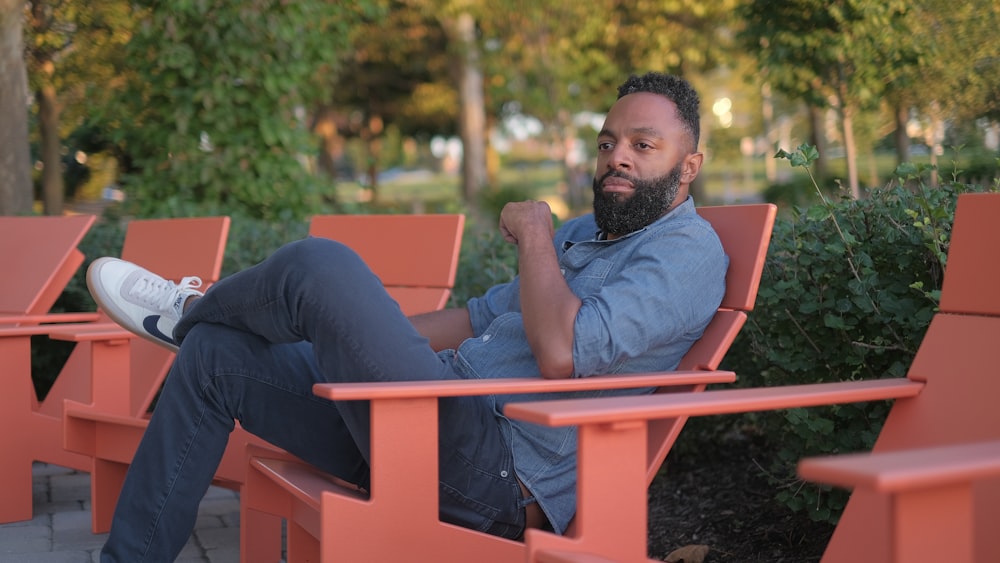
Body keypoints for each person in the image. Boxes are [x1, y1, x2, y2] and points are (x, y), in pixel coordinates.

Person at [86, 71, 728, 562]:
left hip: (495, 470)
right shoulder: (583, 237)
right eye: (608, 141)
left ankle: (190, 310)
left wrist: (534, 233)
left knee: (321, 265)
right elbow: (476, 319)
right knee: (216, 358)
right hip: (423, 419)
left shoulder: (685, 251)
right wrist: (360, 336)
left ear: (688, 165)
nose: (617, 156)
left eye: (643, 145)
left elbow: (564, 353)